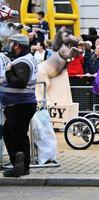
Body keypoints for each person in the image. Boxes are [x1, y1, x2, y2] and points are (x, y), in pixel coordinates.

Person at [0, 34, 38, 177]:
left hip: (19, 105)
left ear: (17, 45)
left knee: (15, 135)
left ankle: (19, 162)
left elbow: (20, 82)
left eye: (12, 44)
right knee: (12, 133)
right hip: (20, 104)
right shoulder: (27, 59)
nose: (10, 46)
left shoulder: (23, 62)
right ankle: (22, 164)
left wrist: (9, 73)